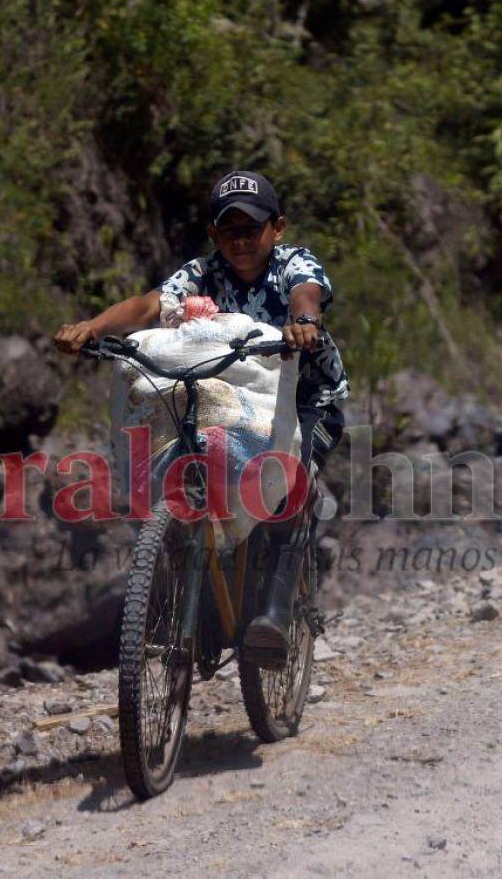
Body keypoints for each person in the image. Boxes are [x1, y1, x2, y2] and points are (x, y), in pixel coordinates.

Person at [53, 169, 349, 666]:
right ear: (214, 234)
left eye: (251, 229)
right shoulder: (201, 273)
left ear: (276, 228)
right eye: (228, 230)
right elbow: (150, 304)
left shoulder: (294, 263)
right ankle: (193, 597)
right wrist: (90, 327)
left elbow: (307, 295)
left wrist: (304, 323)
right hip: (226, 393)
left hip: (306, 398)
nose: (240, 241)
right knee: (181, 465)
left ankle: (275, 615)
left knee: (291, 483)